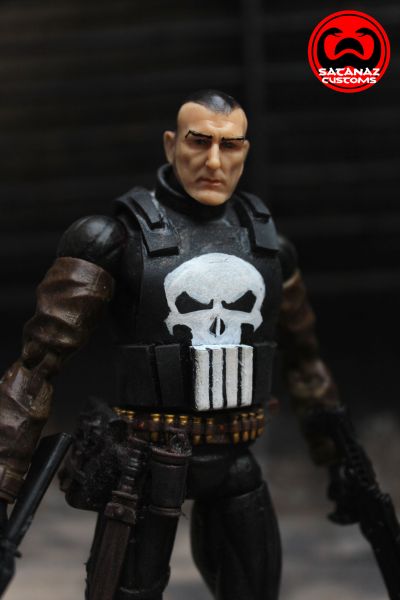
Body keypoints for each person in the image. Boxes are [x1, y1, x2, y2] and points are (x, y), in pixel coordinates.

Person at [0, 90, 341, 600]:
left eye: (229, 146)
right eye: (198, 142)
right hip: (143, 466)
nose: (213, 162)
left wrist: (338, 460)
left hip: (236, 462)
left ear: (245, 151)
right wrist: (3, 481)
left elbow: (306, 363)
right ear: (170, 144)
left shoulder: (269, 247)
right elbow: (36, 366)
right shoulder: (111, 240)